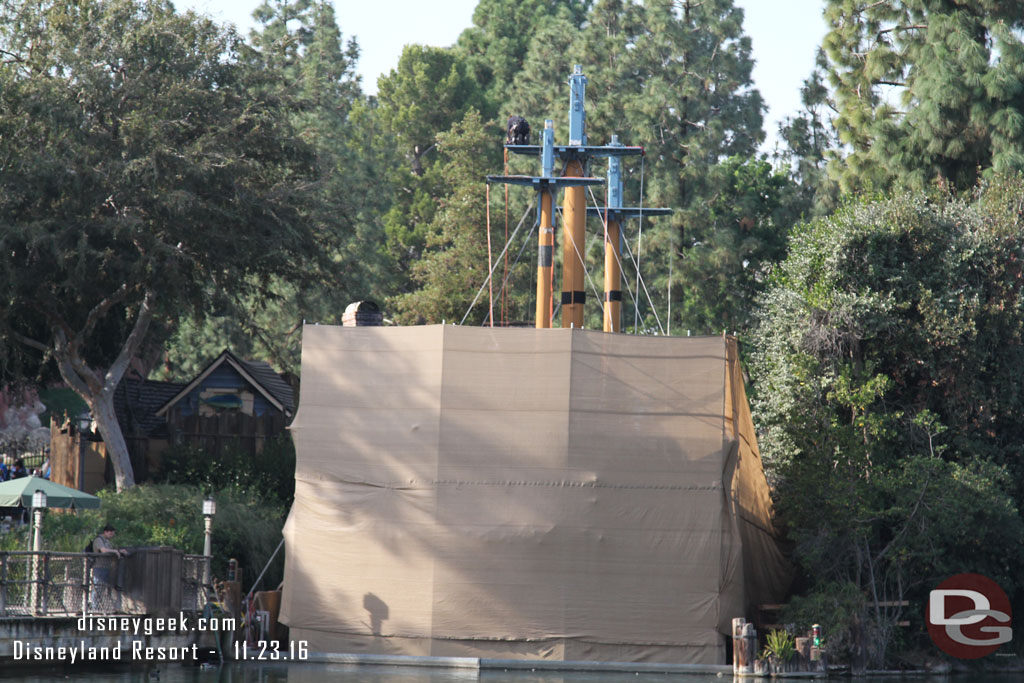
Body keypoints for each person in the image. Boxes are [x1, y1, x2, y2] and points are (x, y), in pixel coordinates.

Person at [91, 524, 127, 611]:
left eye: (113, 534)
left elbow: (110, 550)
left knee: (105, 589)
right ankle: (95, 608)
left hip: (107, 568)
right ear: (106, 532)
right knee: (97, 588)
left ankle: (106, 608)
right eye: (110, 534)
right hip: (99, 567)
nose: (111, 536)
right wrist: (115, 551)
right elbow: (103, 550)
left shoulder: (107, 541)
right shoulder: (99, 540)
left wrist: (119, 551)